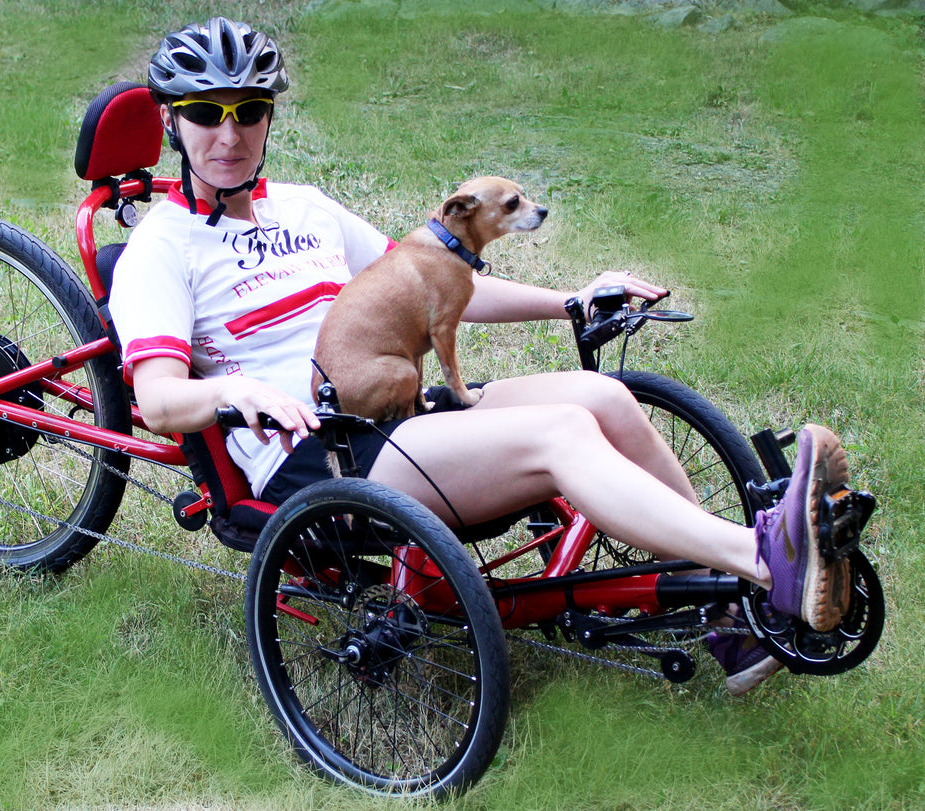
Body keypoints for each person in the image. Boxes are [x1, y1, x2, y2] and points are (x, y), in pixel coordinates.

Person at [109, 17, 852, 695]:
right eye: (205, 113)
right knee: (560, 433)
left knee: (602, 398)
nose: (229, 134)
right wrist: (237, 391)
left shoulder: (305, 207)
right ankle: (766, 559)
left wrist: (570, 299)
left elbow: (437, 283)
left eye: (248, 110)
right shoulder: (162, 248)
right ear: (171, 120)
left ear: (269, 116)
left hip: (396, 413)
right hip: (317, 452)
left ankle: (724, 615)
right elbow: (162, 400)